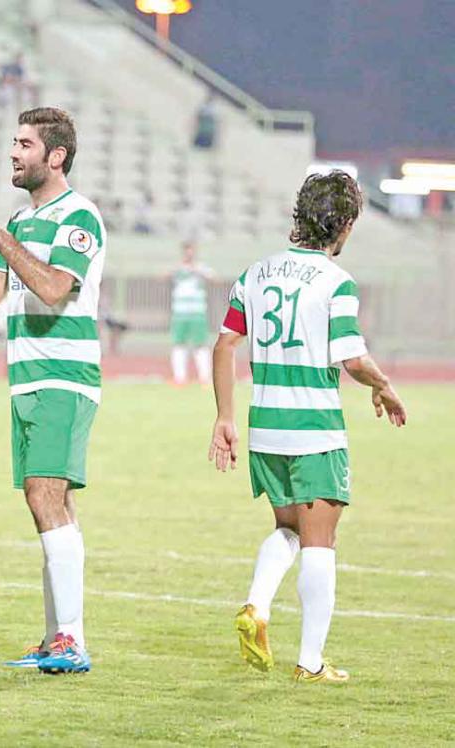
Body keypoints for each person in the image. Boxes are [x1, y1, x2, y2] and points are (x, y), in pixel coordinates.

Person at [210, 171, 407, 684]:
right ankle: (311, 663)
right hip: (314, 430)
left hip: (265, 429)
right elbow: (352, 358)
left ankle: (257, 605)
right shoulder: (335, 282)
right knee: (321, 542)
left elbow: (225, 344)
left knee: (290, 530)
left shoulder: (255, 274)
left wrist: (225, 416)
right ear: (344, 225)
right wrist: (384, 385)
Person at [0, 107, 105, 674]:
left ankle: (69, 640)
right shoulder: (21, 221)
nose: (13, 153)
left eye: (24, 144)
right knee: (52, 502)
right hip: (26, 377)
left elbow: (54, 288)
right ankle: (58, 638)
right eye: (13, 143)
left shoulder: (79, 217)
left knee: (44, 495)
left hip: (63, 376)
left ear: (56, 156)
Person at [168, 241, 214, 386]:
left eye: (191, 251)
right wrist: (177, 269)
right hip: (180, 313)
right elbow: (162, 276)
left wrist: (197, 270)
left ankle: (205, 377)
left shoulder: (201, 268)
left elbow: (214, 279)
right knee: (179, 344)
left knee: (200, 344)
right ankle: (179, 377)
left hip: (197, 313)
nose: (189, 254)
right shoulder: (178, 268)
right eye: (187, 251)